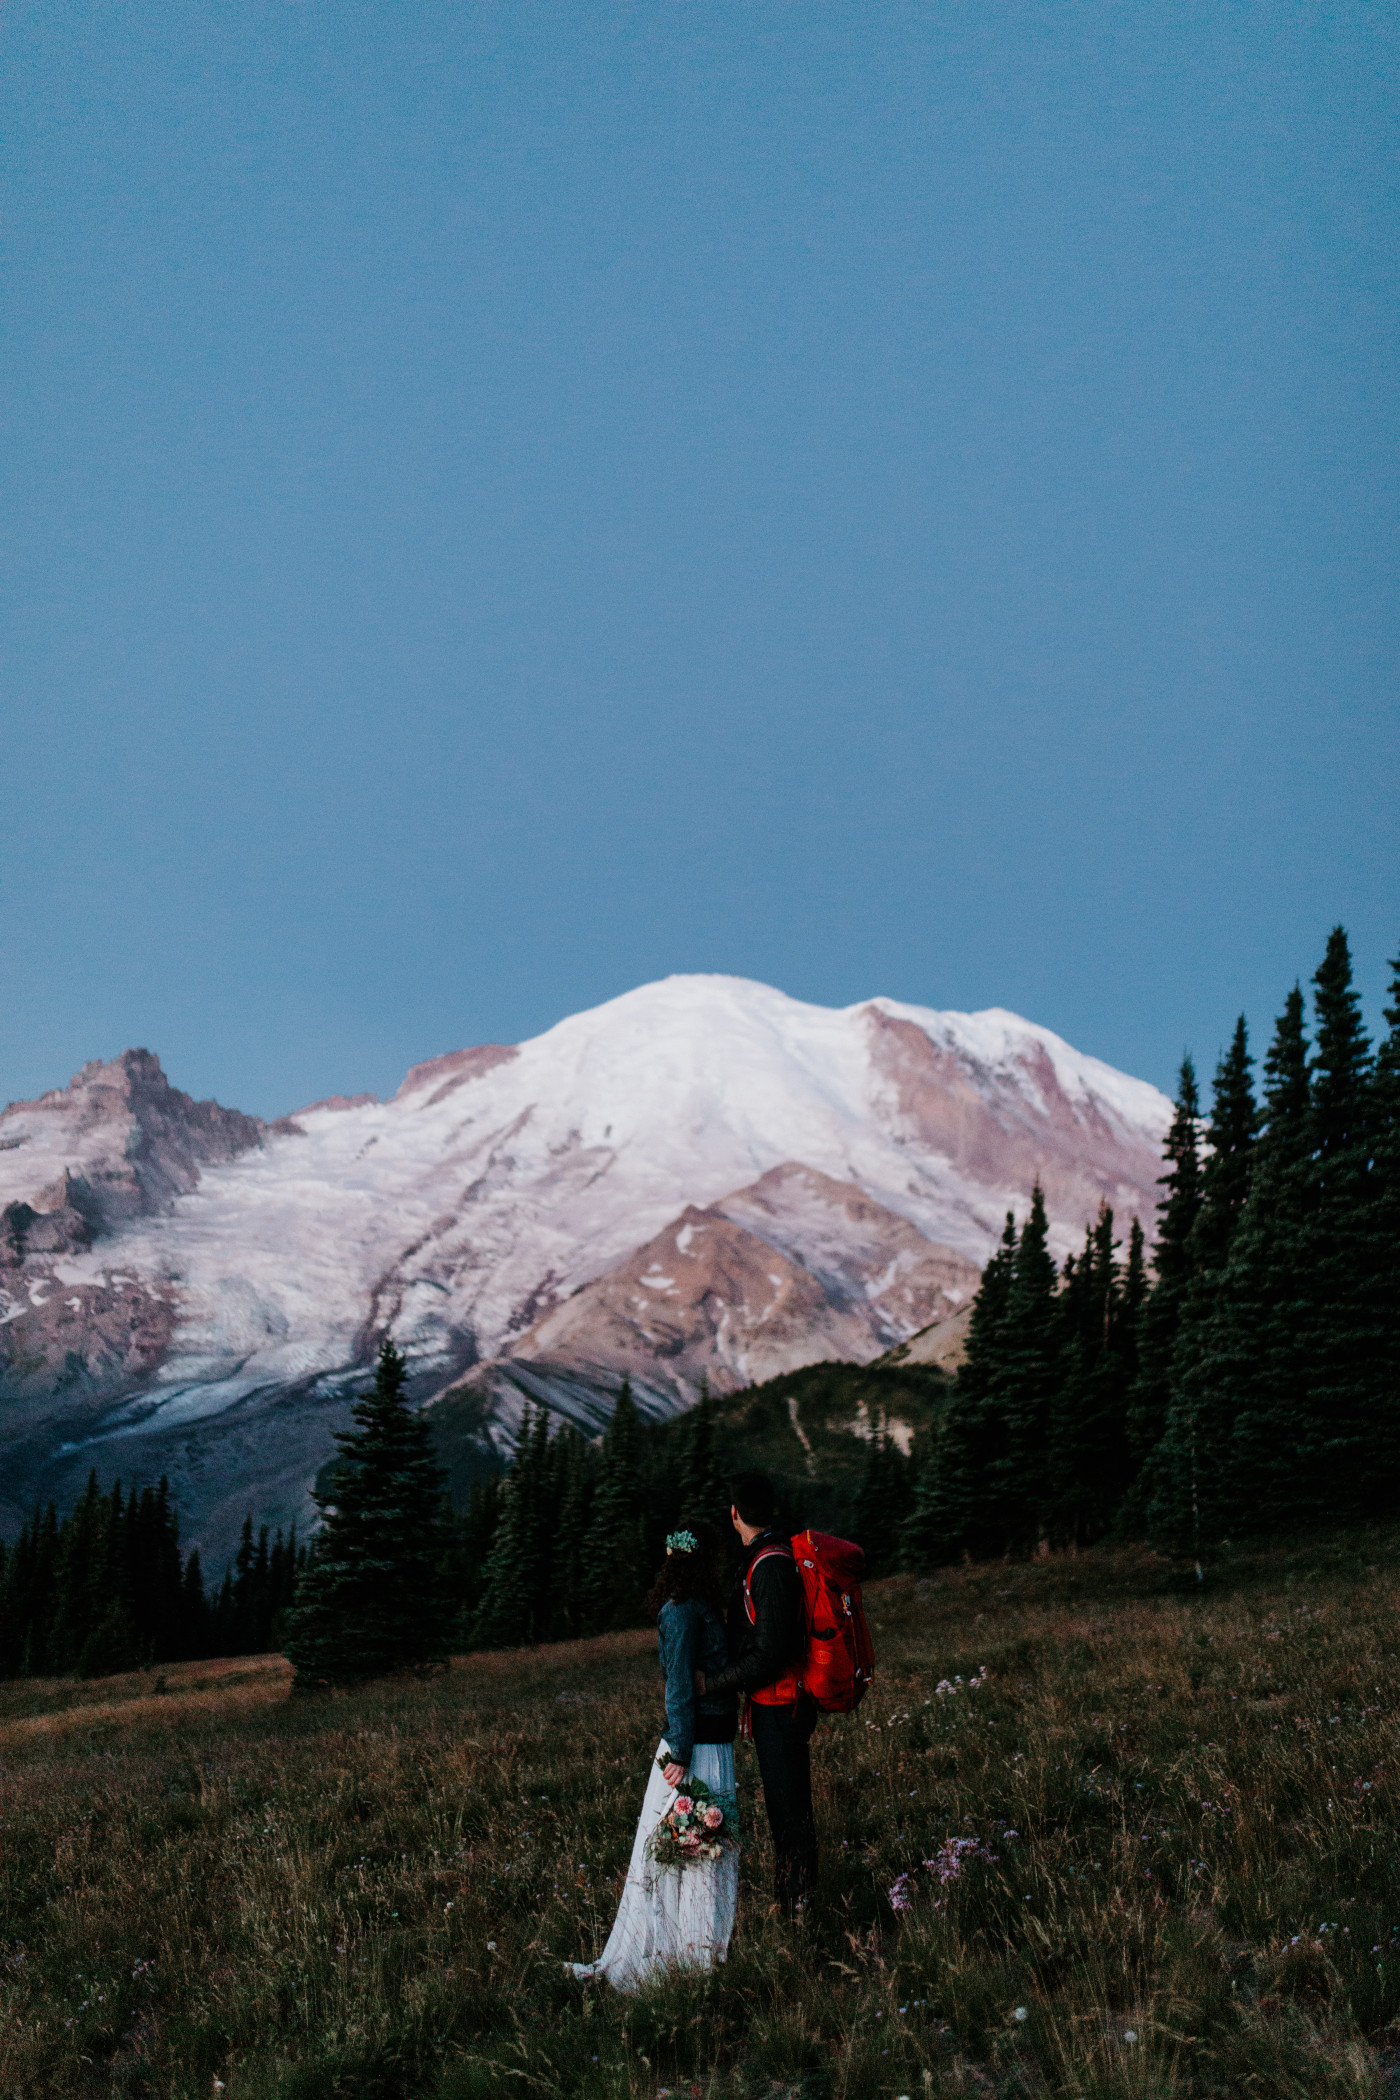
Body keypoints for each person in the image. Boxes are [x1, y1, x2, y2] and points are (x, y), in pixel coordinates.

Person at [571, 1525, 739, 1988]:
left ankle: (696, 1950)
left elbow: (684, 1682)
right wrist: (680, 1752)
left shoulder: (688, 1609)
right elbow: (681, 1684)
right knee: (684, 1847)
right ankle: (684, 1953)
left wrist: (682, 1746)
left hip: (703, 1742)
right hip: (699, 1745)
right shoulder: (691, 1610)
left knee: (697, 1845)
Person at [698, 1471, 818, 1915]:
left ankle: (798, 1905)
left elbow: (768, 1656)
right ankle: (794, 1899)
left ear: (734, 1515)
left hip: (782, 1707)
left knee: (789, 1812)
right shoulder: (771, 1558)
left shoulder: (769, 1565)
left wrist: (711, 1683)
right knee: (786, 1807)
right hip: (776, 1706)